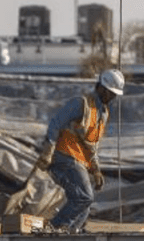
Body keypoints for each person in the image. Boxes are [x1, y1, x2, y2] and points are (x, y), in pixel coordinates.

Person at [34, 68, 125, 231]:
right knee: (84, 197)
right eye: (111, 93)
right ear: (101, 87)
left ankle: (69, 234)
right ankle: (53, 229)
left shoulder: (103, 114)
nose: (112, 97)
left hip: (79, 162)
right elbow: (56, 123)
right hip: (65, 157)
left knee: (84, 206)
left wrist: (96, 169)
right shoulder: (81, 104)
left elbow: (92, 145)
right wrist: (48, 150)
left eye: (114, 94)